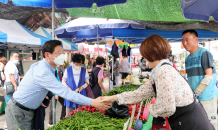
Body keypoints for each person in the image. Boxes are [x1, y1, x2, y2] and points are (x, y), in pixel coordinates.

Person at [102, 34, 214, 130]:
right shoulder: (163, 69)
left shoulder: (163, 71)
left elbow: (168, 108)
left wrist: (150, 109)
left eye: (144, 55)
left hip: (191, 124)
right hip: (192, 119)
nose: (144, 59)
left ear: (150, 54)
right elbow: (139, 93)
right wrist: (109, 98)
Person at [5, 40, 111, 130]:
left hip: (29, 110)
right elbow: (65, 92)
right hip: (18, 111)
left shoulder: (46, 67)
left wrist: (40, 96)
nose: (62, 55)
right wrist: (92, 102)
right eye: (58, 53)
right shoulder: (43, 70)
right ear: (47, 54)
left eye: (62, 52)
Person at [182, 29, 218, 129]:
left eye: (187, 40)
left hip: (207, 97)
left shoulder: (204, 53)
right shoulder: (187, 59)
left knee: (210, 124)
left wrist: (197, 92)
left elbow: (208, 76)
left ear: (196, 39)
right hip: (195, 98)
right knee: (200, 124)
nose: (185, 43)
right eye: (183, 40)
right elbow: (190, 78)